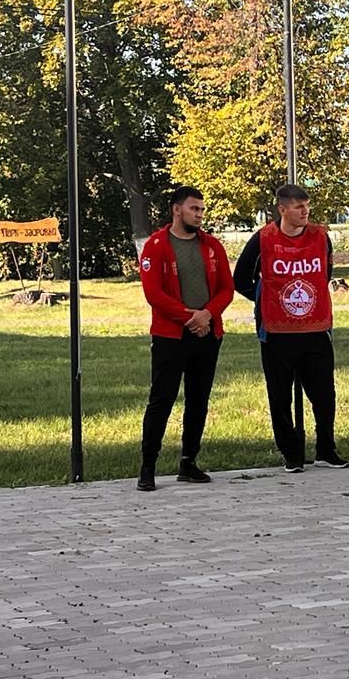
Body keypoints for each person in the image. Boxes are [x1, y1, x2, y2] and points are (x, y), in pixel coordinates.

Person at [233, 185, 349, 471]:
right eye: (298, 207)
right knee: (280, 394)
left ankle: (326, 449)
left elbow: (325, 274)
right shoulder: (263, 239)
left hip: (316, 328)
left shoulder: (321, 237)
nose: (305, 211)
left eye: (307, 205)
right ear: (282, 209)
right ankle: (291, 452)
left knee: (324, 393)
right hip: (276, 331)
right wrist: (267, 298)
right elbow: (241, 279)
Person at [136, 186, 235, 491]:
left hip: (207, 334)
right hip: (171, 336)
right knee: (161, 399)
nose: (199, 215)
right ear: (176, 209)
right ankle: (148, 467)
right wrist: (189, 317)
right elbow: (154, 293)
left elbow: (226, 289)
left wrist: (206, 315)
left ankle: (189, 462)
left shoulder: (212, 246)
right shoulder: (156, 245)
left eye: (202, 210)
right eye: (194, 209)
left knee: (198, 400)